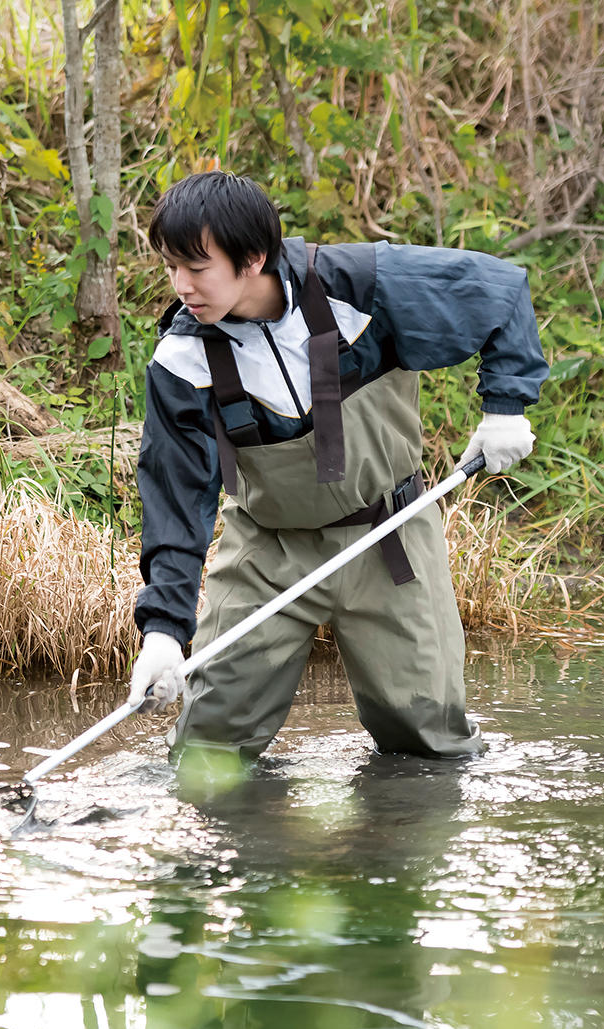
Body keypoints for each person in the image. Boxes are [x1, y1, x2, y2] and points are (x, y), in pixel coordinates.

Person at [125, 171, 548, 761]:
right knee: (209, 746)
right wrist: (165, 630)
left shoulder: (362, 284)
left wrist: (505, 408)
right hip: (267, 551)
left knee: (426, 739)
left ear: (252, 259)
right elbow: (176, 499)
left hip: (389, 536)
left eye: (197, 269)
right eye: (171, 268)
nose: (181, 286)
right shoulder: (181, 357)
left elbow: (499, 291)